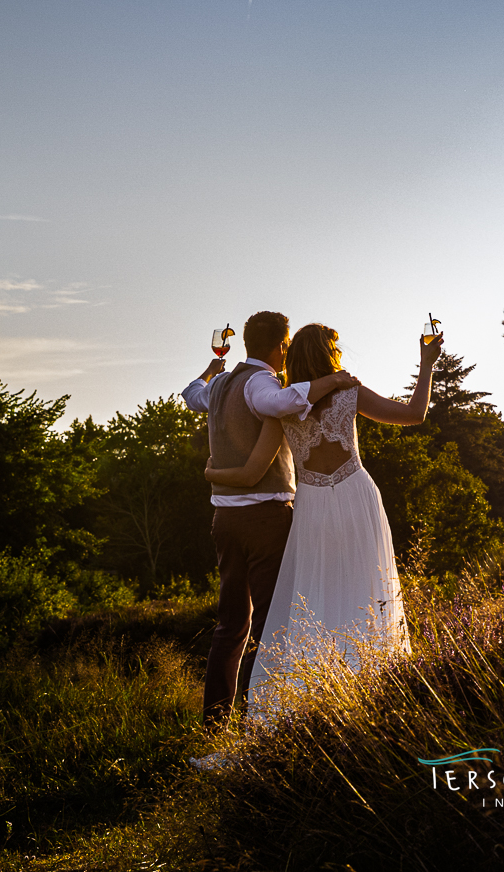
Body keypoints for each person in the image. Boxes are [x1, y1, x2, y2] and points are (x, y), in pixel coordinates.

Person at [204, 323, 442, 709]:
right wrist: (426, 364)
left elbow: (251, 472)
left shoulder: (283, 407)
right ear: (330, 356)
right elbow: (414, 414)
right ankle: (372, 693)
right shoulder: (350, 394)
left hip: (312, 509)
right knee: (365, 589)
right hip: (356, 498)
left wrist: (213, 473)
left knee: (314, 597)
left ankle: (316, 695)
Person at [180, 310, 358, 735]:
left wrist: (210, 369)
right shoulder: (262, 382)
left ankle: (216, 724)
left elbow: (191, 394)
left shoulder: (221, 384)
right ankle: (266, 723)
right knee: (270, 623)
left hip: (225, 518)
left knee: (230, 625)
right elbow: (279, 403)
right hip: (264, 518)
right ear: (280, 346)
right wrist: (332, 381)